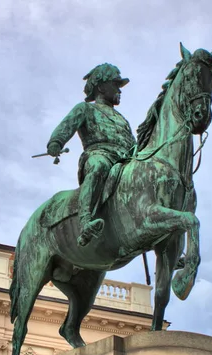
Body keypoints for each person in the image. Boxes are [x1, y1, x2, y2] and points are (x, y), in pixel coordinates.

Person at [46, 63, 136, 246]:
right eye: (115, 84)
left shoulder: (122, 118)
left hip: (126, 159)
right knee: (98, 166)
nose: (120, 90)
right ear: (101, 87)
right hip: (100, 153)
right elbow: (66, 127)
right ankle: (85, 220)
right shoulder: (86, 109)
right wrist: (56, 142)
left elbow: (132, 142)